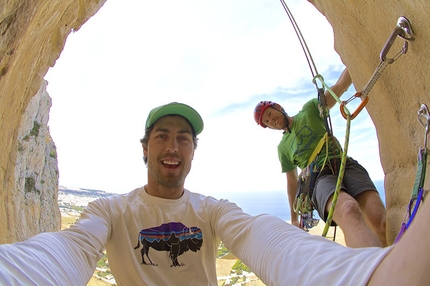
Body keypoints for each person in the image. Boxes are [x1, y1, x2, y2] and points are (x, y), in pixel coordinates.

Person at [0, 101, 428, 285]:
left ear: (193, 151)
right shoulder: (111, 209)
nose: (172, 147)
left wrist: (359, 275)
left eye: (183, 138)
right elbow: (73, 248)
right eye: (162, 137)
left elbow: (261, 237)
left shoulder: (210, 211)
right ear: (145, 148)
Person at [253, 69, 387, 248]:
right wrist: (294, 220)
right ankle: (371, 271)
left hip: (344, 163)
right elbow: (292, 181)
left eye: (270, 114)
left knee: (381, 222)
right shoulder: (283, 148)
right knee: (348, 210)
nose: (272, 121)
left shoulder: (309, 110)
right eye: (267, 123)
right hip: (319, 179)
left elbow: (339, 88)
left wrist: (351, 59)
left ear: (278, 107)